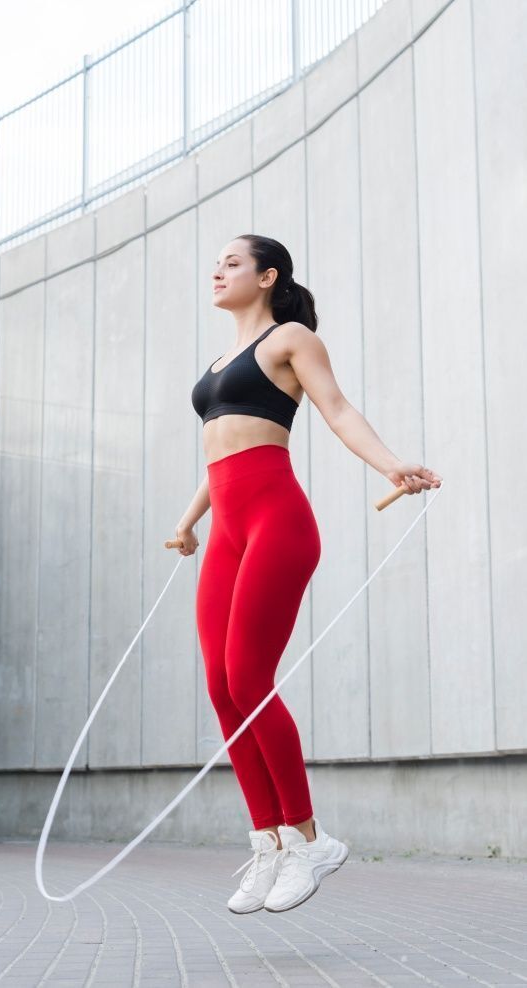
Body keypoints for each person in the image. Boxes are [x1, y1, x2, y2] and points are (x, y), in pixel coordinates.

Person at [173, 234, 443, 914]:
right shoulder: (216, 362)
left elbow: (339, 410)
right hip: (228, 529)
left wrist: (391, 466)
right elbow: (219, 455)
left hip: (277, 523)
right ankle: (269, 843)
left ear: (267, 276)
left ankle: (311, 840)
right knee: (221, 686)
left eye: (232, 262)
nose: (218, 269)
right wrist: (188, 521)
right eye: (217, 261)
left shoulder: (291, 339)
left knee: (249, 678)